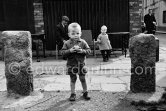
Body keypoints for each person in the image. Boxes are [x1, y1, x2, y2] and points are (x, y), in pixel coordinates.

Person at [61, 22, 91, 101]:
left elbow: (89, 51)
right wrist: (70, 51)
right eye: (73, 33)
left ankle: (85, 92)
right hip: (71, 65)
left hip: (81, 65)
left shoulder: (83, 42)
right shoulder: (67, 43)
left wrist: (82, 51)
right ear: (69, 34)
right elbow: (62, 53)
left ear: (80, 33)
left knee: (82, 79)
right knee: (73, 79)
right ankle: (73, 93)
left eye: (77, 33)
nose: (75, 35)